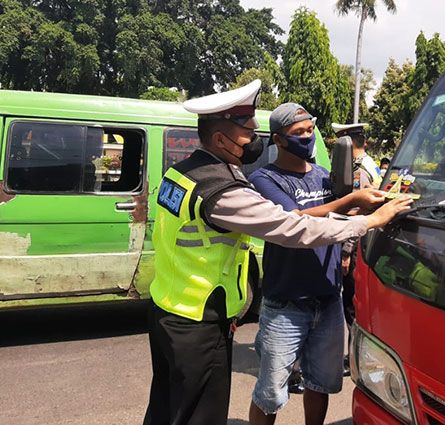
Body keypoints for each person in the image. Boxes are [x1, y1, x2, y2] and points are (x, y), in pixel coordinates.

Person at [143, 80, 412, 425]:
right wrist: (371, 221)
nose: (254, 141)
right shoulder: (223, 190)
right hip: (200, 320)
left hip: (168, 307)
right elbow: (293, 228)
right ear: (220, 139)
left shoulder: (181, 174)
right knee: (201, 414)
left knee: (168, 408)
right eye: (247, 133)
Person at [246, 104, 383, 424]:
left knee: (320, 384)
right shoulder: (265, 179)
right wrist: (349, 201)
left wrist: (371, 206)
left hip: (328, 298)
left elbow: (340, 217)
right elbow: (292, 218)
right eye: (299, 133)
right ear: (279, 140)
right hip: (285, 304)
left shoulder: (324, 177)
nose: (307, 137)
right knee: (270, 393)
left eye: (310, 130)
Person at [330, 122, 382, 376]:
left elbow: (358, 214)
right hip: (366, 243)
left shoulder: (359, 171)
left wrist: (346, 252)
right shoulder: (370, 164)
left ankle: (355, 360)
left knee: (351, 305)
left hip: (357, 244)